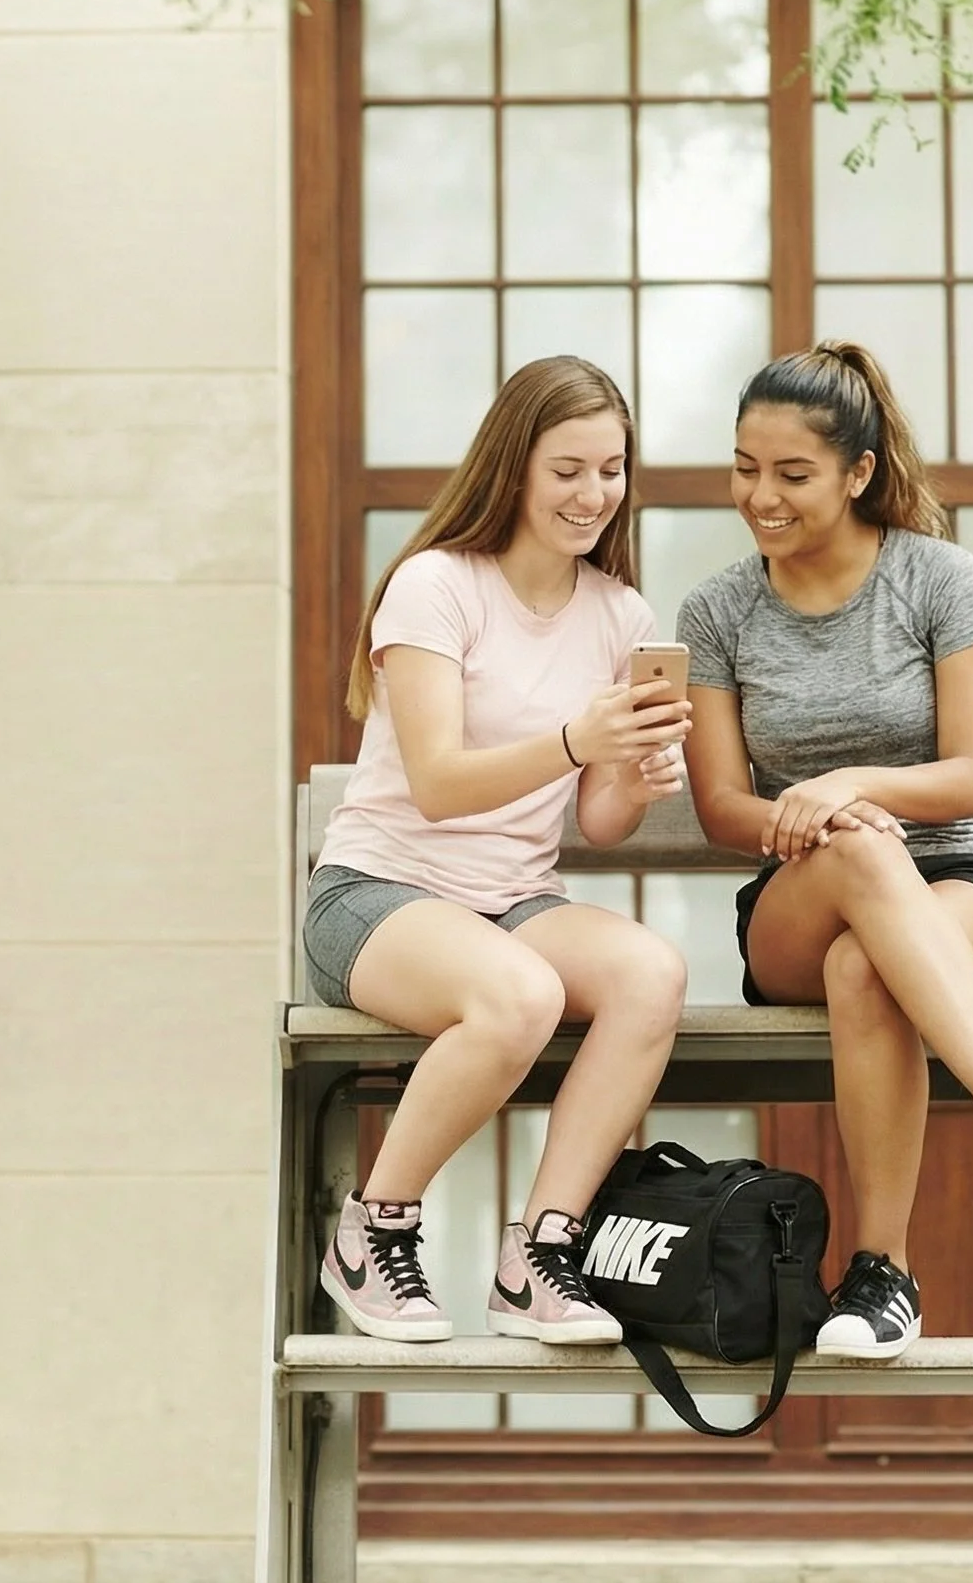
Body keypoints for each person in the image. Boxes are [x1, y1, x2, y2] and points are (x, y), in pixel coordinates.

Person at [677, 340, 973, 1362]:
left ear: (858, 473)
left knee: (864, 961)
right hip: (799, 897)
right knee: (860, 874)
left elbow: (969, 779)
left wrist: (849, 785)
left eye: (791, 475)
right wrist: (822, 817)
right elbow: (720, 807)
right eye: (745, 468)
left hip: (970, 888)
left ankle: (881, 1277)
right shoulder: (717, 610)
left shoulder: (940, 579)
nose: (760, 496)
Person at [307, 355, 693, 1346]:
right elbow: (435, 781)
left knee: (650, 973)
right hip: (379, 895)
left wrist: (634, 775)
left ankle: (539, 1255)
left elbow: (598, 822)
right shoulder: (435, 586)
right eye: (567, 469)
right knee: (520, 994)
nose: (592, 493)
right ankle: (372, 1229)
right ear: (513, 466)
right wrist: (576, 741)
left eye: (610, 469)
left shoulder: (619, 613)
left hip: (512, 900)